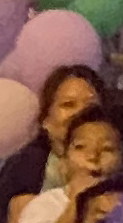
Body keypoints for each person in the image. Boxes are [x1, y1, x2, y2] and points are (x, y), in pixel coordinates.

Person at [2, 110, 123, 223]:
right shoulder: (47, 205)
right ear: (64, 163)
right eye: (80, 147)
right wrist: (75, 204)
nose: (93, 157)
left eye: (107, 149)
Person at [30, 64, 107, 193]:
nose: (80, 113)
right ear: (45, 119)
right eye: (68, 104)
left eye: (90, 105)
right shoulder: (26, 165)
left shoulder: (120, 172)